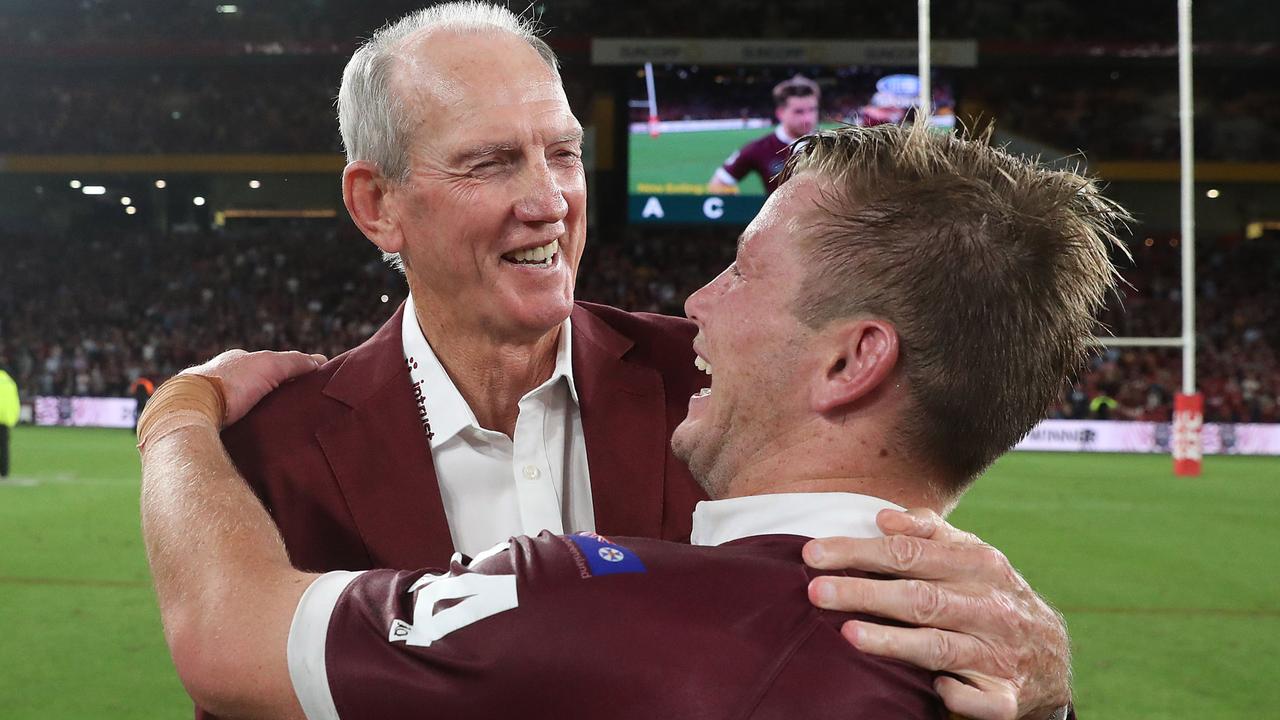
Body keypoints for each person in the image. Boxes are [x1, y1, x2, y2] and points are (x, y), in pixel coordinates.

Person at [193, 4, 1070, 718]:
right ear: (376, 203)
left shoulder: (735, 394)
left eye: (564, 153)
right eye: (491, 163)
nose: (548, 200)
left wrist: (1038, 694)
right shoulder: (273, 451)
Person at [707, 75, 820, 196]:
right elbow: (718, 184)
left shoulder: (833, 144)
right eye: (799, 112)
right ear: (780, 113)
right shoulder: (760, 148)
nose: (808, 118)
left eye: (812, 110)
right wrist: (740, 208)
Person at [0, 362, 17, 478]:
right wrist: (13, 417)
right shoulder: (11, 382)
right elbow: (14, 401)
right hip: (5, 418)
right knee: (4, 446)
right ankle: (4, 472)